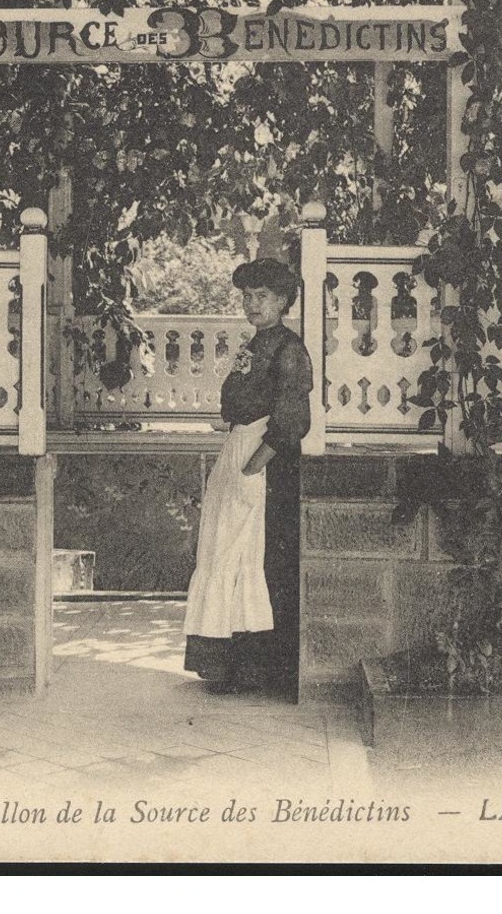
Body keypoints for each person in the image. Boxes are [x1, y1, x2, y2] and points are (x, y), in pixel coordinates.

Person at [184, 257, 312, 697]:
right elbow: (239, 397)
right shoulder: (256, 344)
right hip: (241, 449)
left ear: (283, 301)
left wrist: (254, 465)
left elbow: (294, 418)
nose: (251, 304)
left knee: (251, 557)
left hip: (264, 461)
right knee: (223, 552)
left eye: (262, 297)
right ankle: (227, 666)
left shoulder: (289, 349)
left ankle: (257, 671)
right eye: (246, 296)